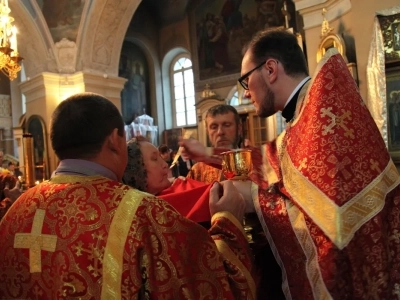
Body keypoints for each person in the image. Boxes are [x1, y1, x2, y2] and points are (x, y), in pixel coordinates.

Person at [183, 28, 400, 299]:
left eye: (245, 80)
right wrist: (207, 155)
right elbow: (276, 164)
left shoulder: (324, 111)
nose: (246, 93)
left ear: (270, 69)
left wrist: (252, 200)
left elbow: (330, 217)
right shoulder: (307, 114)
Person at [0, 93, 256, 299]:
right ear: (115, 140)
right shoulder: (144, 213)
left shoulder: (15, 213)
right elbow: (214, 286)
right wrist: (228, 222)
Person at [187, 104, 244, 184]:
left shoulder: (254, 165)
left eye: (227, 125)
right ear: (207, 132)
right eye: (214, 127)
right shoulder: (197, 170)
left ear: (239, 128)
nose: (220, 132)